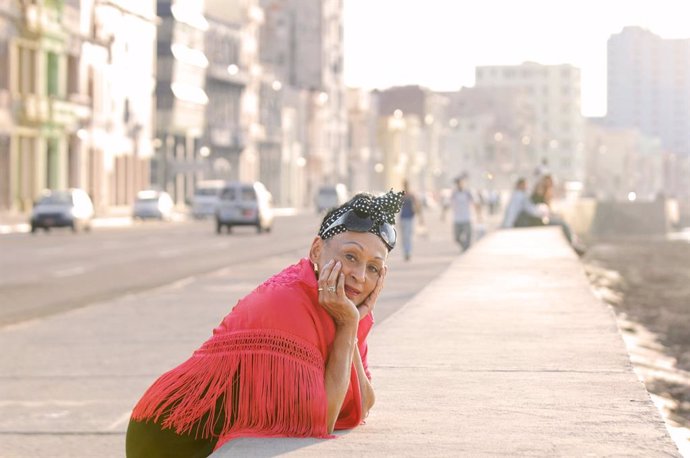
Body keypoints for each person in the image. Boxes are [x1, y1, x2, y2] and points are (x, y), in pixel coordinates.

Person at [125, 191, 405, 457]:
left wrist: (351, 325)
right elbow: (322, 420)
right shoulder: (287, 301)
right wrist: (347, 327)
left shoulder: (344, 307)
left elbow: (363, 404)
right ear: (317, 251)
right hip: (175, 439)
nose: (359, 275)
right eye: (350, 256)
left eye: (373, 268)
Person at [450, 175, 481, 252]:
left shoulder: (468, 192)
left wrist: (479, 215)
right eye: (458, 183)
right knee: (457, 238)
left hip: (466, 218)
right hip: (457, 219)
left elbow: (476, 203)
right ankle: (465, 247)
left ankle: (466, 249)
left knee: (468, 236)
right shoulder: (454, 193)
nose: (459, 184)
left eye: (460, 183)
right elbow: (447, 203)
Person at [399, 180, 423, 261]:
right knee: (403, 237)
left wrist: (420, 218)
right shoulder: (401, 195)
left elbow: (417, 205)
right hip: (402, 218)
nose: (405, 186)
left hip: (409, 218)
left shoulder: (411, 195)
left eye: (406, 185)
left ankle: (407, 252)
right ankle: (406, 251)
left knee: (407, 236)